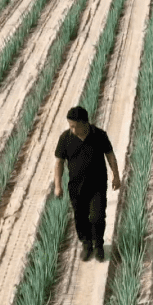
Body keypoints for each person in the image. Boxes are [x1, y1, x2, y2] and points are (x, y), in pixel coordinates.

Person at [54, 106, 121, 261]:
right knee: (80, 217)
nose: (71, 129)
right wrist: (58, 185)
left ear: (85, 123)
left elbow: (110, 156)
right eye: (70, 126)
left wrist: (116, 176)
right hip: (76, 188)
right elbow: (59, 163)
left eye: (74, 126)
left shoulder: (99, 135)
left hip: (97, 185)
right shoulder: (65, 138)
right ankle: (86, 244)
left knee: (98, 217)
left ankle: (98, 245)